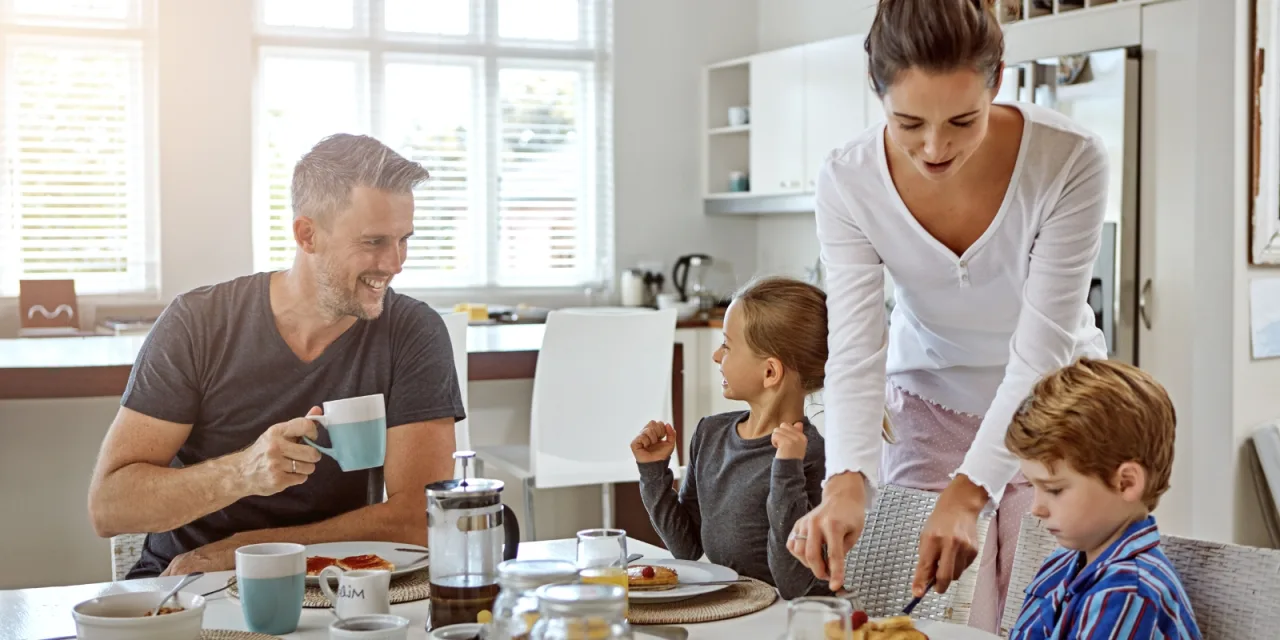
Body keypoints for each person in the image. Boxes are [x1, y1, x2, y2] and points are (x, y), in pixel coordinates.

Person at [786, 0, 1110, 630]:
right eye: (908, 122)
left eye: (964, 120)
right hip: (932, 401)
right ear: (875, 90)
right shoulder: (848, 180)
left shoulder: (1069, 160)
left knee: (1041, 603)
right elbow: (857, 346)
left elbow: (1039, 356)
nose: (934, 148)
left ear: (998, 80)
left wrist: (971, 493)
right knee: (924, 606)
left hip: (1059, 408)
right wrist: (847, 477)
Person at [87, 134, 466, 578]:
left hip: (329, 582)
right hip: (187, 581)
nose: (395, 262)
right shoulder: (199, 322)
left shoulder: (412, 332)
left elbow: (421, 517)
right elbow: (110, 508)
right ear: (307, 235)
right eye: (373, 242)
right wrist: (244, 473)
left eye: (404, 240)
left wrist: (257, 550)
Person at [630, 277, 891, 599]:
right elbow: (686, 547)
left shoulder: (813, 456)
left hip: (791, 615)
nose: (715, 355)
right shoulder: (709, 433)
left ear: (770, 372)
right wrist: (654, 472)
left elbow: (793, 583)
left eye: (726, 345)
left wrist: (786, 469)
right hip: (735, 603)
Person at [1005, 358, 1201, 640]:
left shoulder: (1128, 593)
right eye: (1032, 486)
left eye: (1055, 489)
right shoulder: (1061, 563)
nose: (1036, 508)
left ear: (1126, 483)